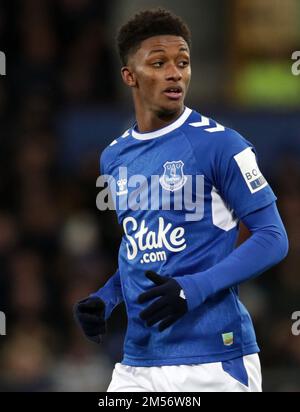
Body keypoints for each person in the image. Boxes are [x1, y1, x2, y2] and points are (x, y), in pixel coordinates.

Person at [73, 8, 289, 392]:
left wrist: (194, 289)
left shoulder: (222, 144)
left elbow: (273, 237)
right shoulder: (114, 157)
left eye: (183, 62)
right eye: (159, 63)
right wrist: (107, 297)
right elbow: (141, 247)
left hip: (214, 360)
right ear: (129, 76)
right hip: (138, 363)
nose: (176, 73)